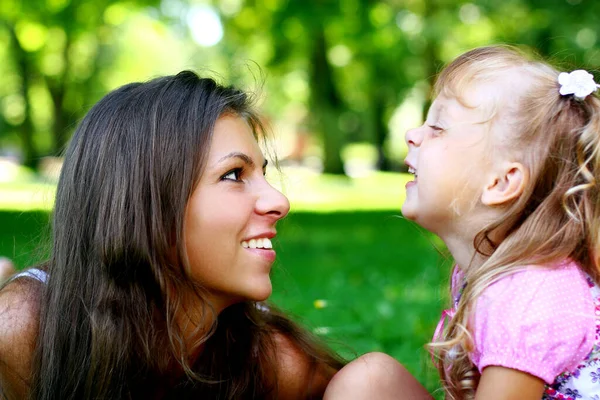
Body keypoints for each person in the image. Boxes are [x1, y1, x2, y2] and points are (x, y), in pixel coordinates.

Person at [0, 71, 346, 399]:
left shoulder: (272, 362)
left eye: (263, 174)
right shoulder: (24, 333)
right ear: (141, 207)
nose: (279, 201)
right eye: (233, 175)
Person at [327, 45, 600, 399]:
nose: (413, 134)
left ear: (500, 183)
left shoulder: (532, 295)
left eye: (438, 127)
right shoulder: (496, 273)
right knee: (370, 379)